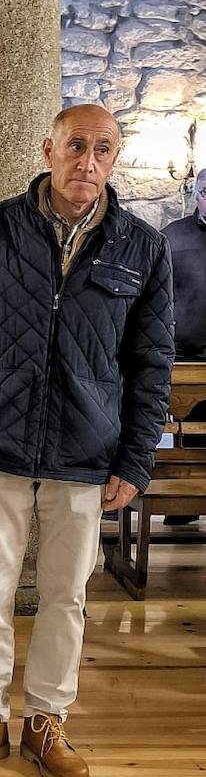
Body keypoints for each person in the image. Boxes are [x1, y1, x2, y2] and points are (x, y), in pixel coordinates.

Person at [0, 104, 173, 777]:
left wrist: (135, 458)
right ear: (48, 149)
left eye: (102, 150)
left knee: (65, 595)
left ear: (114, 159)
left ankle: (45, 720)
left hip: (86, 448)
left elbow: (152, 361)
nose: (87, 162)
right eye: (75, 146)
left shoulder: (141, 247)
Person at [161, 167, 206, 525]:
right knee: (190, 426)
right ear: (196, 196)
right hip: (184, 351)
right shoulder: (173, 237)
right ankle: (184, 501)